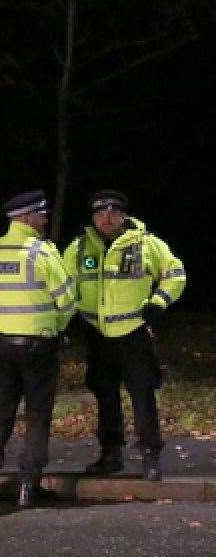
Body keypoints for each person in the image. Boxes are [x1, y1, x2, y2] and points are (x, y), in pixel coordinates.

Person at [64, 190, 186, 481]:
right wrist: (66, 320)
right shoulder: (80, 248)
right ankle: (111, 455)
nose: (106, 218)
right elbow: (64, 285)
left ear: (123, 216)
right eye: (100, 213)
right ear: (92, 217)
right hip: (96, 336)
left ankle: (150, 456)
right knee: (105, 397)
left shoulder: (147, 244)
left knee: (142, 396)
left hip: (134, 336)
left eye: (112, 212)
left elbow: (175, 273)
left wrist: (158, 303)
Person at [0, 191, 75, 507]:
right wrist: (55, 326)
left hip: (2, 343)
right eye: (41, 215)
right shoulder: (41, 254)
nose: (44, 220)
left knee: (1, 411)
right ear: (29, 218)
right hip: (38, 344)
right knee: (37, 413)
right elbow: (68, 300)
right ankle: (28, 485)